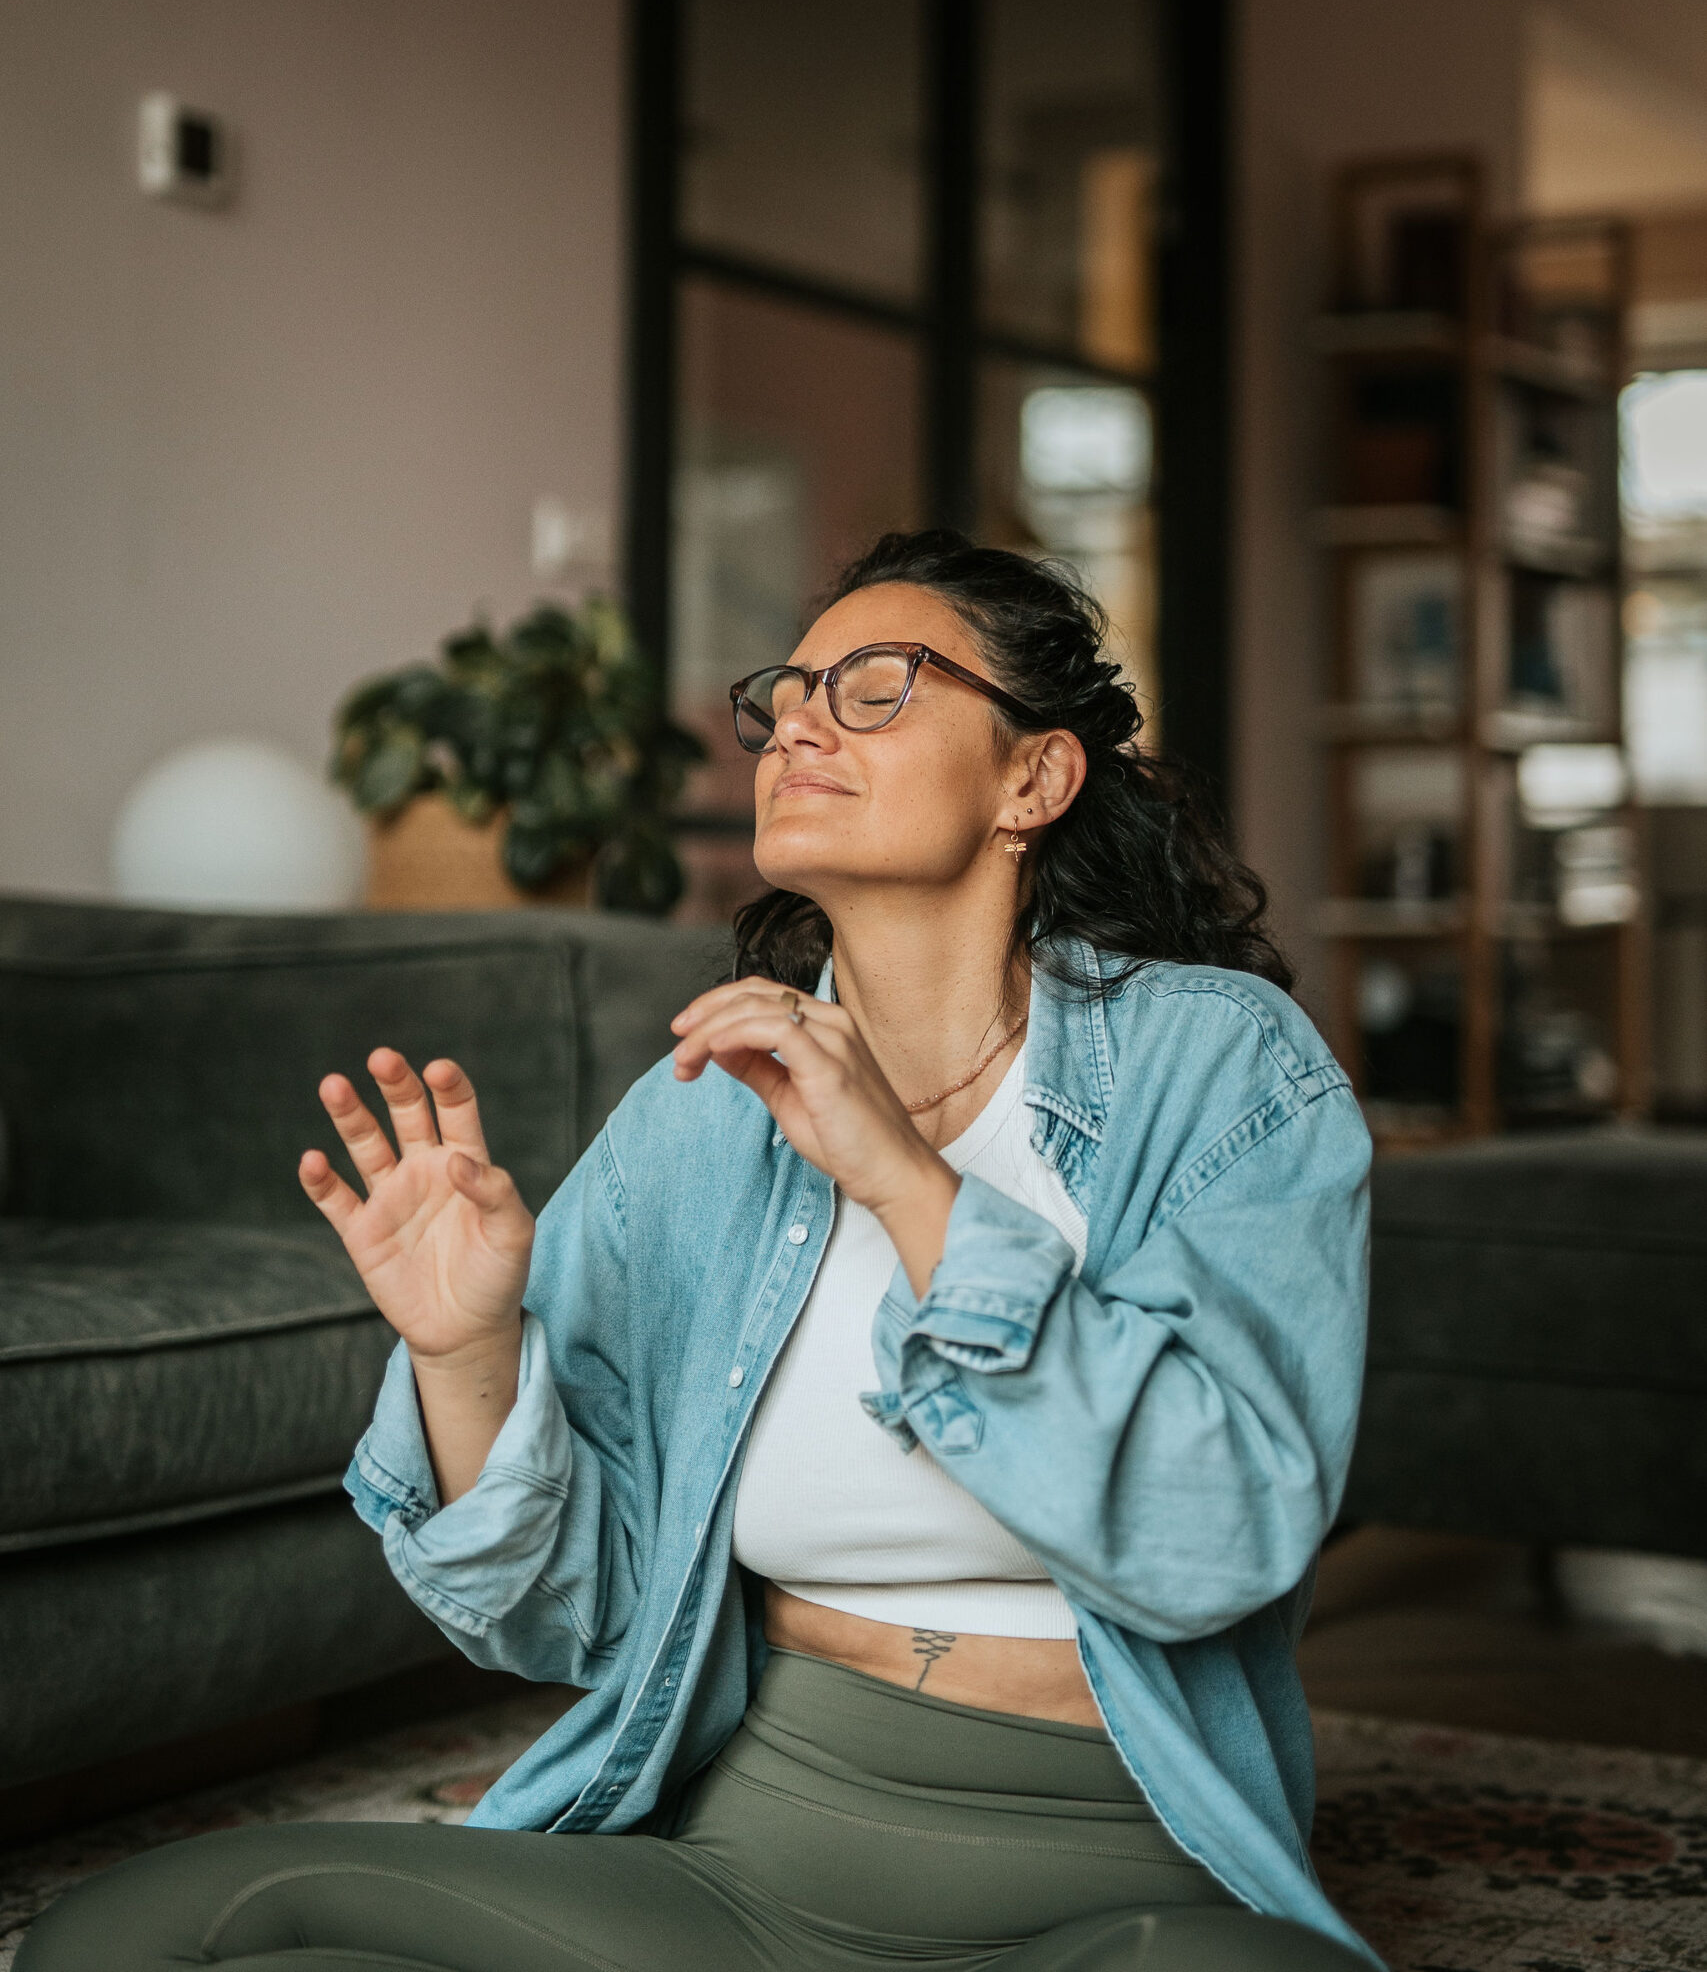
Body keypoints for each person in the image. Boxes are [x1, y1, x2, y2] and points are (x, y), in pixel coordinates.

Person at [20, 532, 1377, 1972]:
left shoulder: (1220, 1067)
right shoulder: (698, 1115)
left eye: (875, 686)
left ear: (1032, 779)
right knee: (129, 1939)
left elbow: (1223, 1533)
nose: (796, 719)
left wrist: (909, 1186)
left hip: (1124, 1877)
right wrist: (467, 1351)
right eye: (788, 692)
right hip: (750, 1867)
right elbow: (564, 1615)